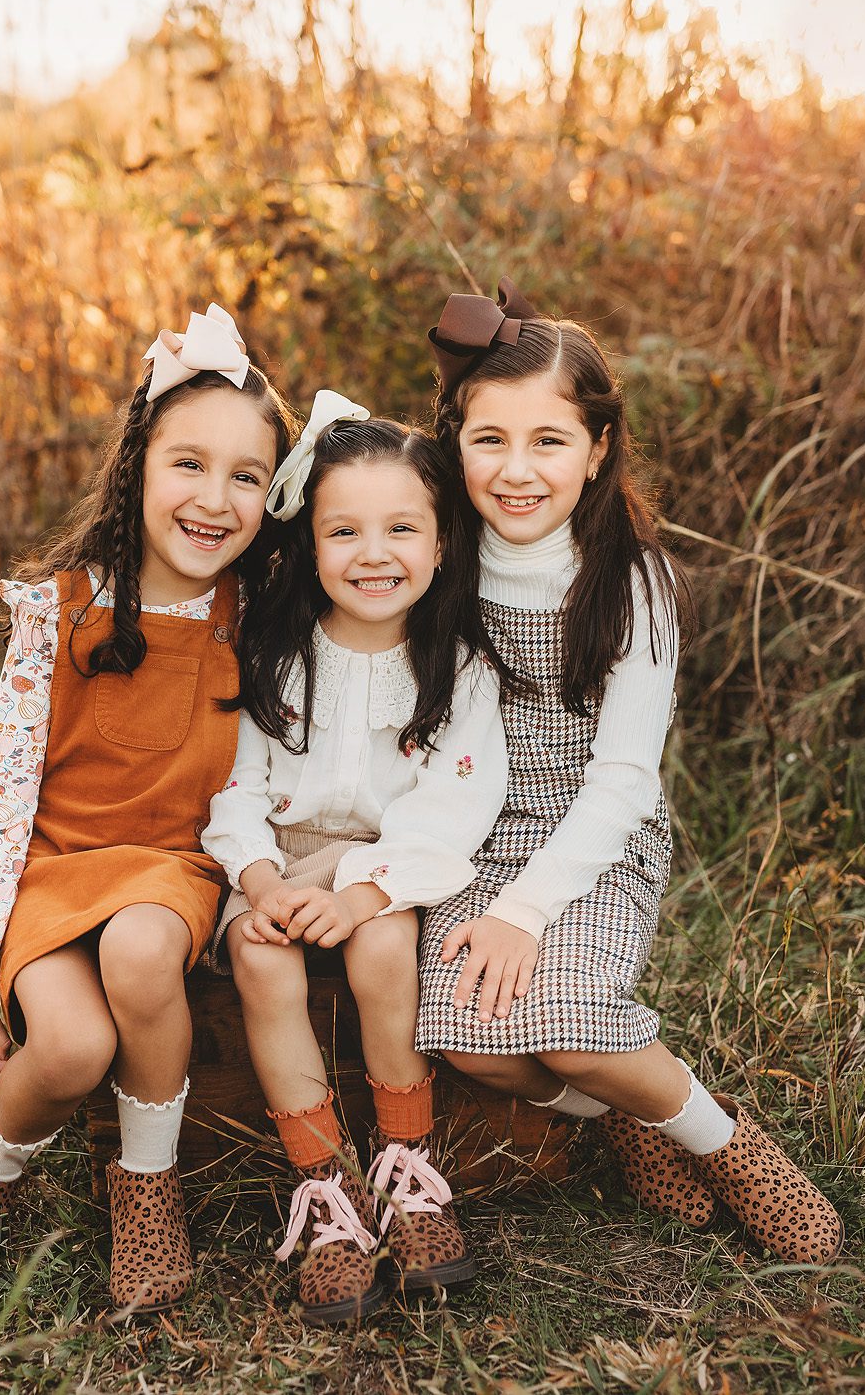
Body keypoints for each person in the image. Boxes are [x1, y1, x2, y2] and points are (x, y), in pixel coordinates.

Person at [415, 279, 843, 1266]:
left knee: (559, 1024)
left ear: (597, 447)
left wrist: (524, 912)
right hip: (471, 838)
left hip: (591, 838)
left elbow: (620, 781)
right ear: (453, 441)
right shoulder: (438, 558)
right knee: (465, 1032)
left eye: (548, 442)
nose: (516, 470)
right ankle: (623, 1113)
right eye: (489, 440)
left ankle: (726, 1145)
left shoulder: (629, 580)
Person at [0, 305, 295, 1309]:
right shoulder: (58, 611)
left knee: (138, 950)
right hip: (54, 876)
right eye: (188, 466)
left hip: (172, 876)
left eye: (246, 476)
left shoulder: (256, 623)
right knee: (69, 1047)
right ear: (138, 469)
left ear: (273, 495)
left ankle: (147, 1182)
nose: (214, 499)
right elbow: (0, 803)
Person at [201, 394, 508, 1323]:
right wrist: (257, 882)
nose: (374, 554)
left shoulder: (457, 666)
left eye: (402, 528)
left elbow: (455, 803)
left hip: (384, 864)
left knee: (382, 950)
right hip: (275, 860)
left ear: (444, 540)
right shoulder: (273, 652)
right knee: (259, 954)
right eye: (346, 531)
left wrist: (369, 889)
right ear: (310, 544)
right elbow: (235, 789)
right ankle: (327, 1190)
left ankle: (407, 1164)